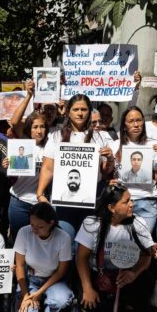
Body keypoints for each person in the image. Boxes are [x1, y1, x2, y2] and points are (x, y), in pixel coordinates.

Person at [36, 94, 117, 239]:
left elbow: (105, 171)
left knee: (87, 244)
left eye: (84, 109)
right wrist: (40, 193)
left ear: (89, 111)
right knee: (66, 242)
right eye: (76, 109)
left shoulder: (99, 137)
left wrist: (110, 159)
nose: (80, 113)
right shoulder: (56, 136)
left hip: (92, 201)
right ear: (68, 111)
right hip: (64, 203)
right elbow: (48, 167)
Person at [76, 184, 153, 312]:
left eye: (131, 200)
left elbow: (147, 256)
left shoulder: (138, 223)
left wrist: (133, 273)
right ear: (111, 208)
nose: (132, 204)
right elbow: (81, 258)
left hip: (126, 277)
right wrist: (87, 288)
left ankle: (129, 308)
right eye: (126, 201)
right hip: (98, 276)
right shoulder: (92, 223)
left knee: (146, 281)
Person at [14, 202, 75, 312]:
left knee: (61, 301)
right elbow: (19, 265)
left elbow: (61, 271)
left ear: (51, 223)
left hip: (54, 280)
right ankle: (36, 303)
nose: (34, 229)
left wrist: (39, 293)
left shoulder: (63, 237)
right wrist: (26, 295)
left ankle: (45, 305)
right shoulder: (24, 232)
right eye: (32, 224)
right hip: (31, 279)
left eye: (40, 226)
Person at [115, 106, 157, 232]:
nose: (136, 124)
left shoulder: (154, 145)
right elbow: (108, 174)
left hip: (147, 203)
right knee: (123, 242)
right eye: (131, 121)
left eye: (139, 120)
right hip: (122, 202)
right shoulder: (115, 145)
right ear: (124, 125)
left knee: (143, 242)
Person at [6, 111, 49, 240]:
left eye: (42, 126)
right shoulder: (21, 145)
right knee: (19, 240)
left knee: (39, 240)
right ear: (29, 129)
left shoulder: (50, 147)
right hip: (19, 202)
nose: (39, 131)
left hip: (40, 203)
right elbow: (15, 122)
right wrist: (7, 164)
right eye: (35, 127)